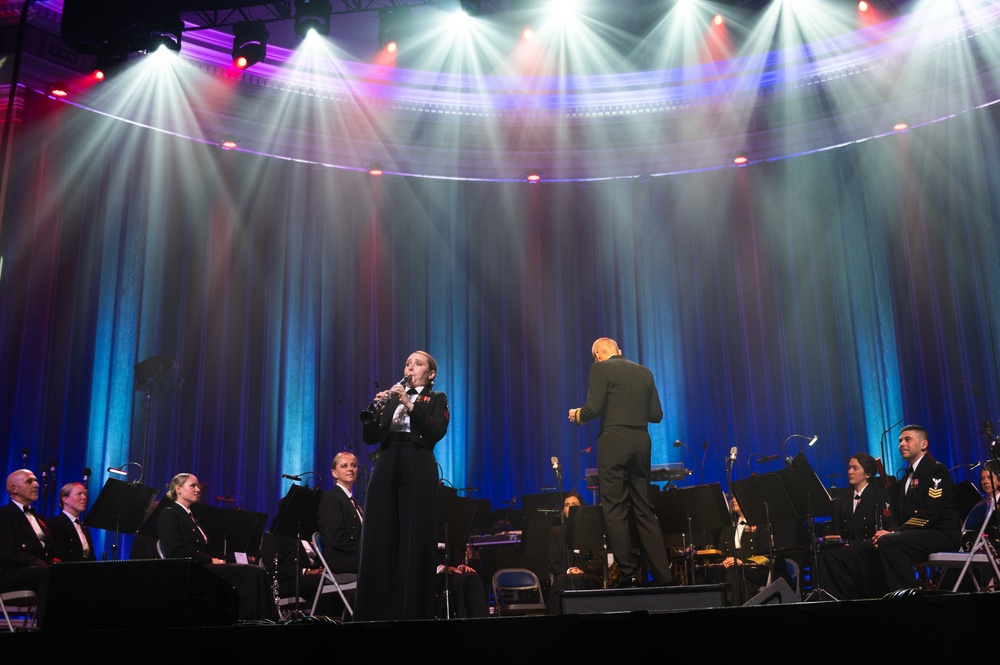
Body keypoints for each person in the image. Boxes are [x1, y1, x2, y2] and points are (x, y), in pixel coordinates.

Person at [568, 337, 673, 588]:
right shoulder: (644, 372)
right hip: (641, 441)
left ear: (597, 354)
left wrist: (577, 415)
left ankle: (628, 573)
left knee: (614, 508)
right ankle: (664, 576)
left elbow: (593, 409)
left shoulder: (600, 368)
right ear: (619, 351)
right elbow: (656, 415)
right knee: (644, 509)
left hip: (614, 441)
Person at [355, 350, 450, 621]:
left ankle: (413, 612)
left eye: (417, 364)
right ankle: (376, 610)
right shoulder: (393, 398)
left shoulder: (436, 398)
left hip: (417, 461)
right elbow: (371, 437)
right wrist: (377, 412)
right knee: (379, 532)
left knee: (415, 535)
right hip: (388, 460)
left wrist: (410, 403)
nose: (410, 368)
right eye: (407, 363)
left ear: (430, 374)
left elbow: (435, 431)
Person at [158, 473, 276, 621]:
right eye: (192, 485)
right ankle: (256, 620)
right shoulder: (170, 514)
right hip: (192, 570)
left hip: (203, 567)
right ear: (178, 489)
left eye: (198, 485)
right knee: (253, 573)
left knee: (257, 571)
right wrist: (211, 560)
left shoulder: (190, 516)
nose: (198, 489)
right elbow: (177, 553)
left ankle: (263, 619)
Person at [871, 425, 962, 592]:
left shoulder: (936, 469)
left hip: (942, 533)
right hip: (920, 533)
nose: (901, 444)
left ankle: (908, 599)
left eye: (908, 439)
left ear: (923, 444)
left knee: (889, 542)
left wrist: (892, 534)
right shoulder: (907, 476)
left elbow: (930, 513)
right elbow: (902, 518)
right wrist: (886, 532)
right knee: (871, 545)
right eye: (900, 441)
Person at [818, 452, 896, 599]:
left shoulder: (879, 495)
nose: (850, 472)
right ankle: (834, 598)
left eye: (855, 468)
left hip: (869, 546)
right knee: (826, 553)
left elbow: (886, 524)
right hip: (851, 547)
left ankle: (845, 597)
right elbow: (842, 531)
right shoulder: (844, 501)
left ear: (867, 473)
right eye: (849, 468)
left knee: (833, 557)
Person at [710, 495, 789, 605]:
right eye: (732, 498)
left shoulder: (761, 523)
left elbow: (767, 554)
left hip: (755, 569)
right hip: (732, 570)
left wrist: (743, 562)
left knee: (736, 572)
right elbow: (721, 553)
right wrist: (724, 561)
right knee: (717, 573)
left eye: (736, 498)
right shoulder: (728, 527)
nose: (733, 501)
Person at [0, 469, 52, 605]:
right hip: (10, 572)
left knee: (67, 574)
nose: (36, 484)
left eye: (35, 480)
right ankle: (46, 624)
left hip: (38, 570)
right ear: (14, 489)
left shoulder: (39, 518)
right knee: (46, 574)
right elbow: (7, 552)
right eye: (29, 481)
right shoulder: (4, 515)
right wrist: (38, 562)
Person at [548, 490, 604, 614]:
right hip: (565, 575)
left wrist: (582, 570)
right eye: (567, 505)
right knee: (562, 580)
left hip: (587, 574)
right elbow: (553, 563)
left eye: (574, 504)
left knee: (573, 580)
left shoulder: (593, 529)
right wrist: (569, 571)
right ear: (563, 510)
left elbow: (599, 559)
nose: (570, 508)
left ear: (581, 507)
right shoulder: (556, 532)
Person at [316, 451, 363, 574]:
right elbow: (337, 539)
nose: (350, 469)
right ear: (334, 473)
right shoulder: (331, 498)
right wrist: (367, 549)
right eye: (344, 466)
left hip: (354, 554)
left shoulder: (355, 502)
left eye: (353, 465)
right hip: (340, 558)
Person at [48, 482, 95, 562]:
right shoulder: (54, 524)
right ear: (65, 499)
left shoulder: (84, 529)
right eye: (79, 494)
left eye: (85, 494)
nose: (84, 497)